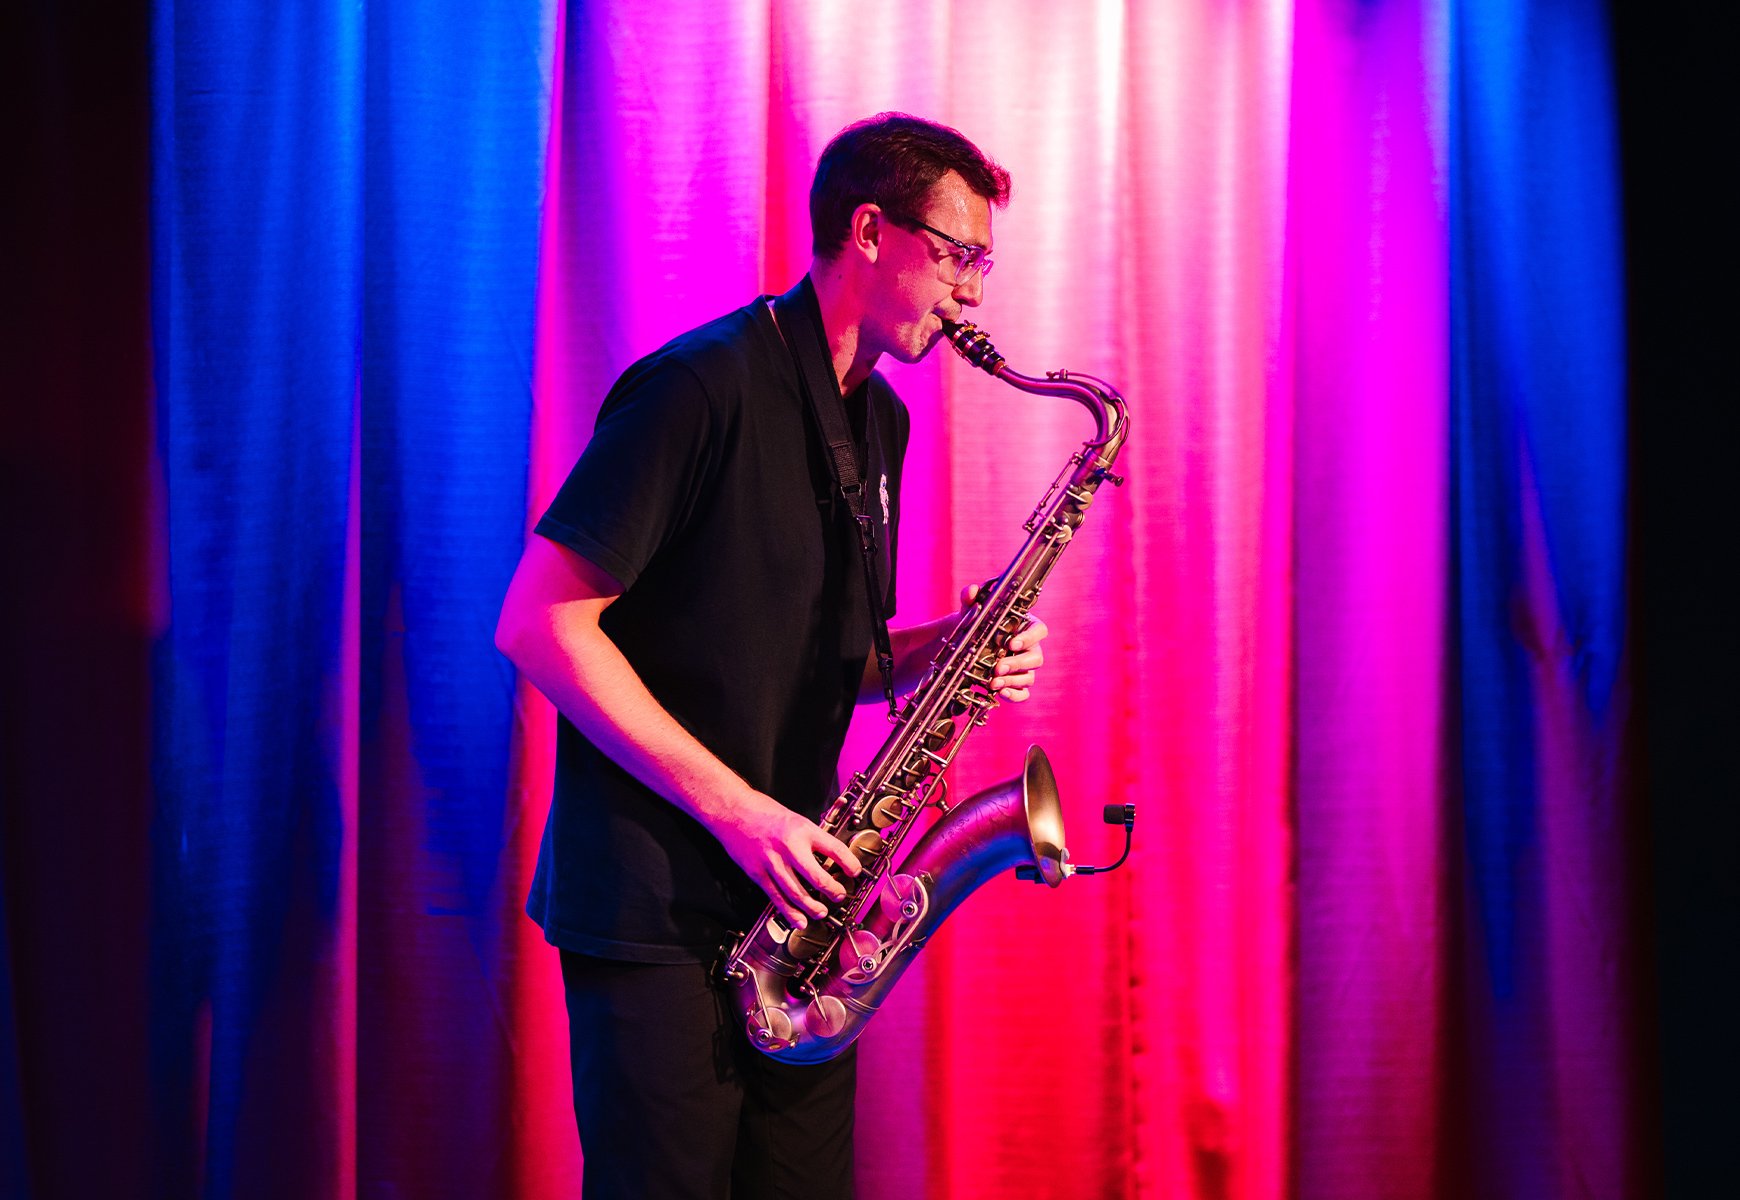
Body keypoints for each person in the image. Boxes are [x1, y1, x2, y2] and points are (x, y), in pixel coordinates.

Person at [495, 113, 1047, 1199]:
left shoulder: (875, 423)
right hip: (659, 909)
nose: (974, 291)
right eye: (960, 255)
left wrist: (956, 643)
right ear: (872, 230)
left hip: (797, 925)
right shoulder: (701, 388)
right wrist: (742, 812)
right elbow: (541, 622)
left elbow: (840, 658)